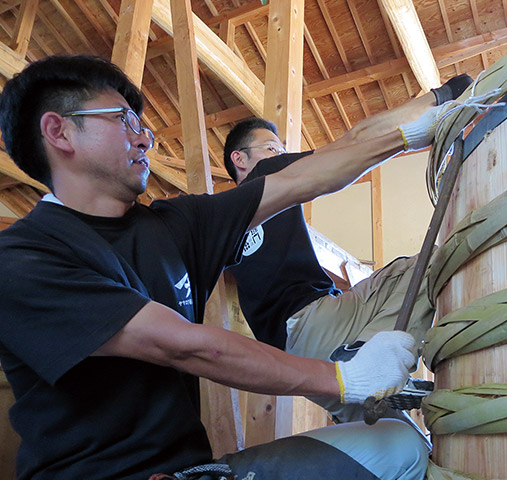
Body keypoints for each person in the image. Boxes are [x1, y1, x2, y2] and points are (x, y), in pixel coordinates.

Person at [0, 55, 449, 480]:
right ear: (59, 132)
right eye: (123, 119)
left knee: (399, 443)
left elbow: (299, 179)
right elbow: (180, 345)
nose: (145, 137)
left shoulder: (174, 225)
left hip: (191, 471)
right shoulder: (21, 258)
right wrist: (341, 379)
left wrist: (407, 136)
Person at [223, 74, 473, 423]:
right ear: (240, 159)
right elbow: (355, 142)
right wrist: (440, 96)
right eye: (272, 148)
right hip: (314, 319)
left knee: (393, 434)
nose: (280, 154)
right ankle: (363, 353)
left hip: (296, 360)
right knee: (429, 264)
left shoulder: (219, 221)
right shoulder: (268, 171)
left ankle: (364, 362)